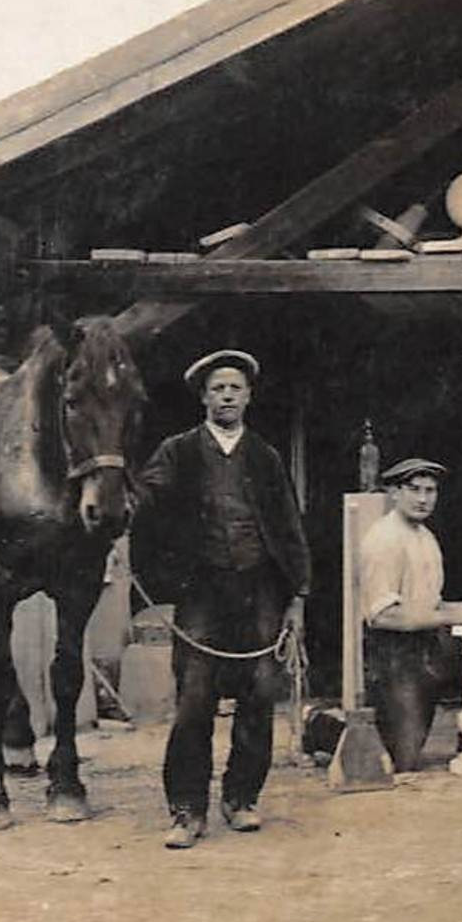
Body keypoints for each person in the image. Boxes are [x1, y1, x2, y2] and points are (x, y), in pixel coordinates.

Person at [131, 349, 311, 849]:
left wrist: (297, 595)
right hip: (201, 591)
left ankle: (241, 799)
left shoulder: (266, 457)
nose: (227, 395)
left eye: (235, 387)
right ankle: (187, 810)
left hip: (260, 590)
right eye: (218, 389)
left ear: (249, 396)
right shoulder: (178, 451)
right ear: (204, 398)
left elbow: (290, 528)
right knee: (194, 699)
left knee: (258, 694)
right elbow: (145, 501)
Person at [358, 457, 462, 772]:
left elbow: (430, 605)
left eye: (431, 491)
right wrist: (452, 615)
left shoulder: (425, 537)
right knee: (401, 762)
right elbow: (384, 617)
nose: (423, 499)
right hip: (395, 655)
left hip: (431, 643)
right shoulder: (383, 539)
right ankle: (323, 727)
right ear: (394, 492)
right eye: (414, 490)